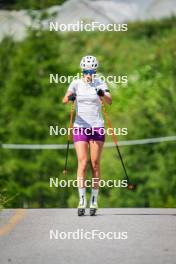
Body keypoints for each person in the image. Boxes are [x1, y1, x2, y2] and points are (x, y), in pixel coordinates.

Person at [63, 55, 112, 216]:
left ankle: (94, 200)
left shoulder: (100, 83)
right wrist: (70, 97)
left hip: (97, 127)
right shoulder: (76, 83)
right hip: (80, 127)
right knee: (82, 163)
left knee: (95, 163)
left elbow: (110, 100)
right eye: (86, 71)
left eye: (91, 71)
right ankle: (82, 200)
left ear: (95, 70)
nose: (88, 73)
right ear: (82, 70)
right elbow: (65, 99)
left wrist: (102, 94)